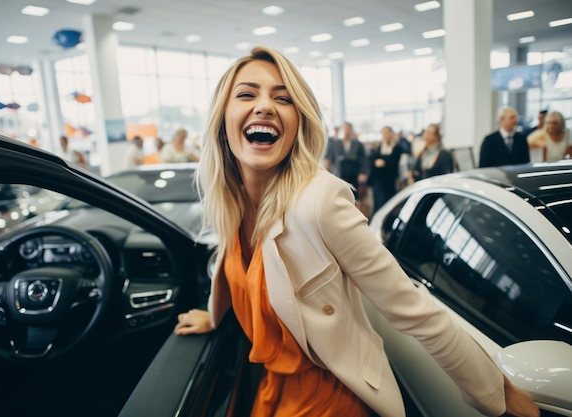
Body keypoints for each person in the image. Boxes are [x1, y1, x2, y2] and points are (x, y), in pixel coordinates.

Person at [173, 46, 539, 417]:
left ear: (299, 121)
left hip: (330, 395)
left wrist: (499, 393)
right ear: (222, 117)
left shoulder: (320, 202)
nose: (265, 106)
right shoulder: (230, 200)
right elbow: (239, 277)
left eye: (283, 98)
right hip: (272, 384)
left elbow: (412, 309)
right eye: (247, 94)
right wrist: (214, 316)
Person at [324, 121, 368, 198]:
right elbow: (328, 159)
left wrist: (363, 172)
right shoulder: (335, 143)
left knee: (354, 195)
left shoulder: (358, 144)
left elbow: (364, 160)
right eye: (345, 129)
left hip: (354, 173)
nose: (347, 131)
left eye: (349, 129)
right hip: (339, 173)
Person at [366, 126, 402, 214]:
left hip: (389, 180)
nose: (386, 135)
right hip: (378, 179)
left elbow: (393, 161)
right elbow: (373, 159)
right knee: (378, 202)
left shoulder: (397, 148)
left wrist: (384, 161)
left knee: (388, 203)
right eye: (384, 133)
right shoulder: (379, 147)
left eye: (388, 132)